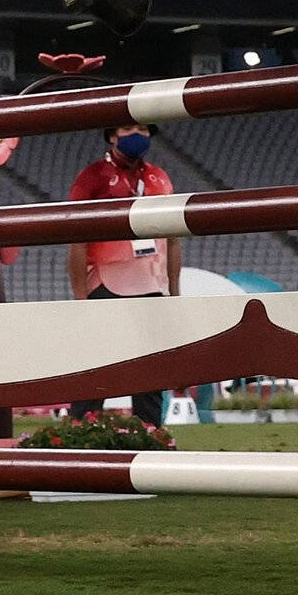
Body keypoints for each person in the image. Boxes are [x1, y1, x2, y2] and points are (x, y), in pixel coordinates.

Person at [66, 121, 181, 428]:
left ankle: (151, 438)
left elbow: (173, 239)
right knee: (96, 371)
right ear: (111, 135)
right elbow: (76, 240)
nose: (138, 135)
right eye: (129, 128)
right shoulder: (93, 177)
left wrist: (175, 292)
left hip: (152, 287)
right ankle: (80, 439)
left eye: (144, 130)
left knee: (151, 375)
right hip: (106, 284)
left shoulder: (159, 177)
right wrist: (81, 298)